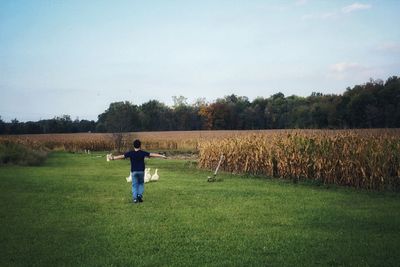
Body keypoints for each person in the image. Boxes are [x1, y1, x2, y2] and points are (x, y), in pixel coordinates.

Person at [109, 139, 166, 203]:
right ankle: (139, 194)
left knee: (134, 185)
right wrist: (161, 156)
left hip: (134, 172)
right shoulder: (142, 153)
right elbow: (152, 154)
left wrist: (113, 158)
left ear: (134, 146)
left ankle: (135, 198)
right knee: (141, 184)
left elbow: (122, 156)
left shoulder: (131, 153)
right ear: (140, 146)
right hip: (141, 171)